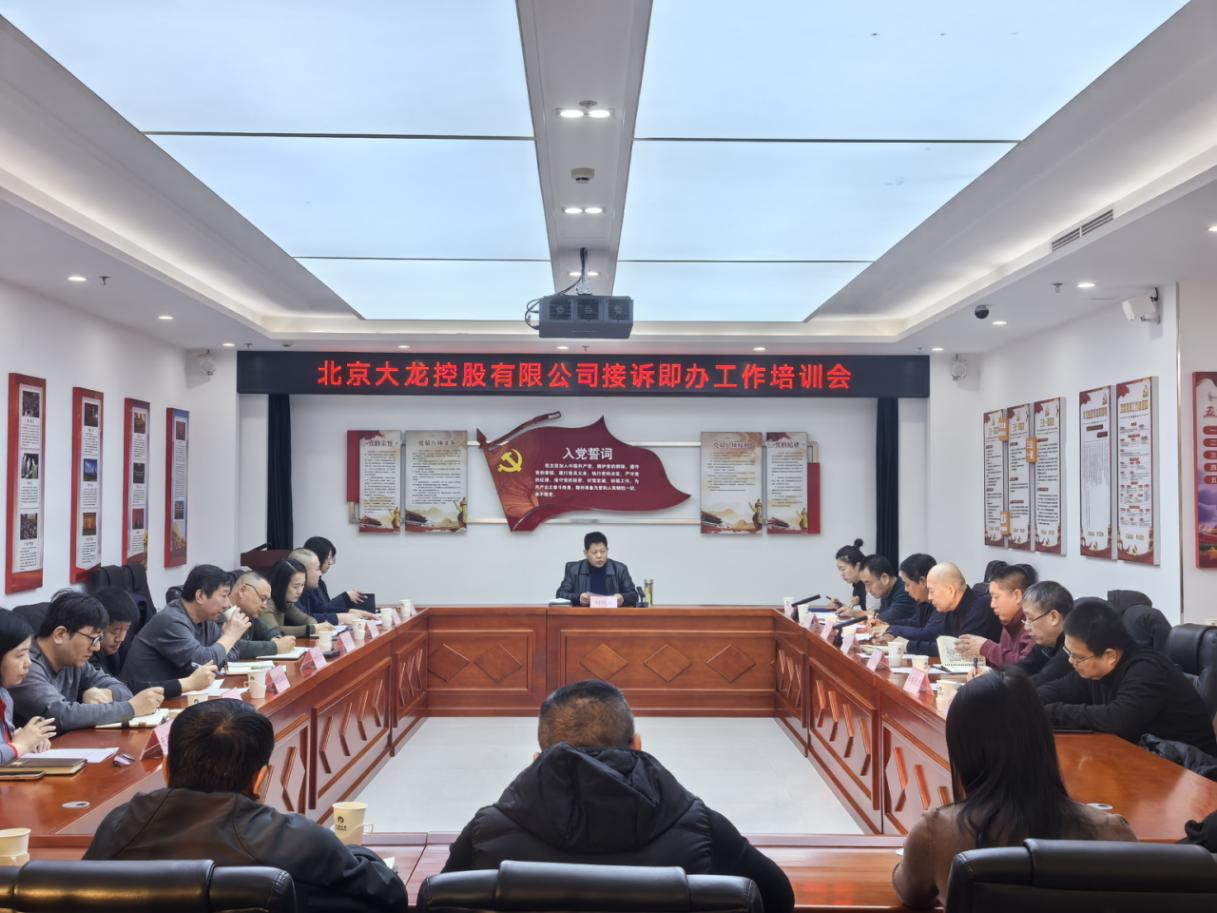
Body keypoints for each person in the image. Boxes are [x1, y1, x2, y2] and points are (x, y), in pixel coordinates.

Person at [442, 679, 794, 913]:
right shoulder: (700, 825)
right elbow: (778, 898)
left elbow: (439, 898)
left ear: (538, 758)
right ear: (637, 745)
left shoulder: (487, 830)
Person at [84, 700, 406, 913]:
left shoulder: (119, 826)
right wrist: (353, 851)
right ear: (259, 780)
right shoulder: (297, 840)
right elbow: (390, 894)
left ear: (166, 770)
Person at [892, 670, 1136, 909]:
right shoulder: (1110, 833)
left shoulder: (935, 832)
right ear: (1043, 739)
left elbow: (909, 892)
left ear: (963, 750)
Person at [1036, 599, 1217, 753]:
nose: (1071, 661)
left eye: (1078, 657)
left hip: (1190, 770)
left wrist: (1054, 711)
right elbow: (1060, 688)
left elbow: (1118, 720)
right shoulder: (1095, 668)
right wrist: (1029, 700)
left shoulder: (1147, 670)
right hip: (1146, 759)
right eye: (1069, 652)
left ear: (1110, 656)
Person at [10, 592, 163, 730]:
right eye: (93, 638)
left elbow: (122, 689)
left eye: (99, 639)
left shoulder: (73, 661)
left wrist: (107, 693)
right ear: (60, 634)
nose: (96, 647)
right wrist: (131, 708)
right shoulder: (25, 666)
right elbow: (61, 715)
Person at [121, 565, 249, 688]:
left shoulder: (206, 620)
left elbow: (232, 654)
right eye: (223, 596)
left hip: (177, 696)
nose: (227, 604)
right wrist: (230, 636)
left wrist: (223, 646)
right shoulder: (171, 621)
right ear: (200, 596)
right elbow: (202, 663)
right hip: (143, 698)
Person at [91, 587, 216, 699]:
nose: (121, 638)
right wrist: (189, 683)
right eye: (115, 630)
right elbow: (123, 689)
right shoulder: (89, 654)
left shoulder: (119, 645)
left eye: (126, 629)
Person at [884, 563, 999, 655]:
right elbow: (935, 637)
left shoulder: (980, 607)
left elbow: (958, 650)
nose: (929, 597)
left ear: (950, 590)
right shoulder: (950, 606)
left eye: (932, 591)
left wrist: (907, 645)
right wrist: (894, 634)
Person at [955, 563, 1036, 668]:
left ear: (1017, 596)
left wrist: (986, 647)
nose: (992, 605)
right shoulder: (1008, 619)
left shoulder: (1033, 624)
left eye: (996, 597)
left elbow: (1024, 666)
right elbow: (1001, 663)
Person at [1, 610, 56, 761]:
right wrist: (19, 746)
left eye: (28, 653)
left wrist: (30, 738)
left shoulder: (4, 695)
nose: (28, 663)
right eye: (20, 655)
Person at [291, 549, 375, 624]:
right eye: (317, 569)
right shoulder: (289, 594)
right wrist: (340, 618)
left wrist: (350, 612)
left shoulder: (309, 590)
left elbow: (321, 609)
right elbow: (304, 620)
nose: (320, 573)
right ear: (302, 572)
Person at [555, 532, 638, 607]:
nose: (599, 556)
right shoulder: (574, 570)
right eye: (594, 552)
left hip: (612, 615)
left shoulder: (620, 569)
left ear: (607, 550)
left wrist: (623, 597)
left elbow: (634, 595)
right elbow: (560, 594)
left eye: (603, 551)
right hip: (584, 616)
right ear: (585, 553)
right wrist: (578, 597)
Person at [1015, 581, 1074, 687]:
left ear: (1054, 617)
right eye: (1025, 619)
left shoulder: (1071, 649)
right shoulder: (1045, 643)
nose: (1026, 627)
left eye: (1030, 619)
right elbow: (1022, 669)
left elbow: (1040, 682)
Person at [228, 572, 296, 659]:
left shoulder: (249, 615)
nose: (265, 606)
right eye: (262, 599)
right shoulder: (219, 612)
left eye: (267, 601)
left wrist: (277, 639)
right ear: (242, 591)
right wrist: (275, 646)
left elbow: (269, 632)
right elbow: (231, 646)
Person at [301, 536, 369, 612]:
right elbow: (320, 612)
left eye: (331, 558)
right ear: (318, 557)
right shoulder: (307, 585)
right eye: (328, 558)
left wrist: (348, 601)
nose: (330, 562)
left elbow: (326, 608)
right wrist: (345, 597)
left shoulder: (321, 583)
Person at [856, 555, 918, 624]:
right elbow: (882, 613)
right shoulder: (886, 591)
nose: (867, 590)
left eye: (868, 584)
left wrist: (858, 614)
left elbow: (884, 619)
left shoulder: (905, 592)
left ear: (884, 578)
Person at [894, 553, 937, 630]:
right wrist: (888, 625)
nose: (905, 589)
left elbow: (928, 633)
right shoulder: (923, 602)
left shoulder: (941, 603)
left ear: (922, 581)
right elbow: (915, 622)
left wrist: (892, 629)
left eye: (907, 584)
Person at [830, 540, 867, 615]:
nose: (841, 574)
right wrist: (841, 606)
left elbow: (876, 616)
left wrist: (853, 609)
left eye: (843, 569)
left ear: (857, 566)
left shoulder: (870, 584)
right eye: (839, 570)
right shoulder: (857, 585)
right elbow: (859, 612)